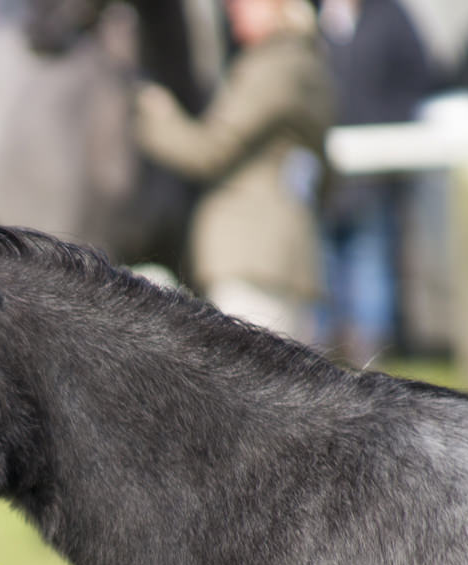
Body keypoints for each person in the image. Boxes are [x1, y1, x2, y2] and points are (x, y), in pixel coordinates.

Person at [134, 0, 335, 343]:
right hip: (286, 249)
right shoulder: (309, 61)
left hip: (252, 255)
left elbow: (208, 150)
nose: (232, 9)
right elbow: (327, 172)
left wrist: (155, 114)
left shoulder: (271, 68)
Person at [319, 0, 433, 364]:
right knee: (324, 274)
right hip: (320, 178)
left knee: (370, 269)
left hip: (373, 177)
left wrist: (386, 130)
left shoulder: (389, 15)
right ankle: (326, 365)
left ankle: (370, 366)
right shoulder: (310, 16)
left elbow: (419, 78)